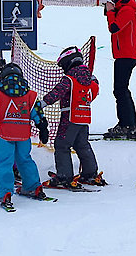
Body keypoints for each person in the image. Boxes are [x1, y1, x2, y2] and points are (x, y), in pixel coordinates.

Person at [0, 63, 49, 207]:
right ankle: (33, 186)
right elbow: (37, 114)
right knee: (25, 159)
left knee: (4, 162)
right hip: (23, 134)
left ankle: (4, 192)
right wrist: (42, 128)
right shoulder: (30, 95)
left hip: (5, 134)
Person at [42, 46, 107, 188]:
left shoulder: (69, 78)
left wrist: (43, 102)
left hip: (69, 117)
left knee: (61, 145)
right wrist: (94, 80)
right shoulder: (88, 79)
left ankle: (64, 177)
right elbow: (94, 91)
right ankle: (90, 174)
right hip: (84, 117)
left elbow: (58, 92)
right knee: (82, 145)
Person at [100, 0, 136, 140]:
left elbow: (114, 28)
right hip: (123, 55)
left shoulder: (127, 10)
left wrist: (110, 11)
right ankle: (127, 123)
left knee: (120, 90)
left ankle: (127, 124)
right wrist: (111, 10)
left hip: (126, 56)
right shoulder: (123, 7)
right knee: (121, 90)